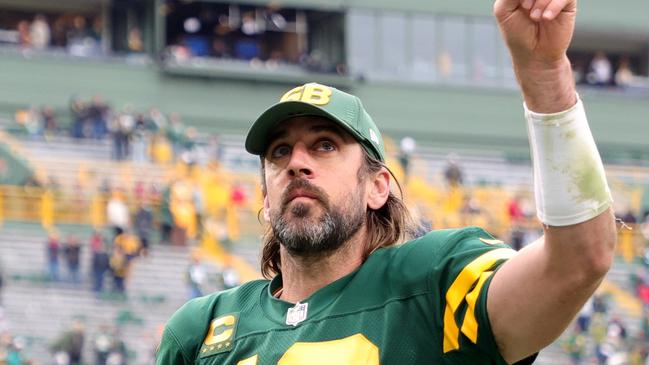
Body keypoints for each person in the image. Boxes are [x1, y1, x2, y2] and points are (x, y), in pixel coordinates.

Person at [157, 1, 617, 364]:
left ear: (378, 186)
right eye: (279, 152)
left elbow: (580, 260)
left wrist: (544, 75)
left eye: (324, 145)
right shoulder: (201, 331)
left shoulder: (432, 282)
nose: (296, 163)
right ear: (264, 193)